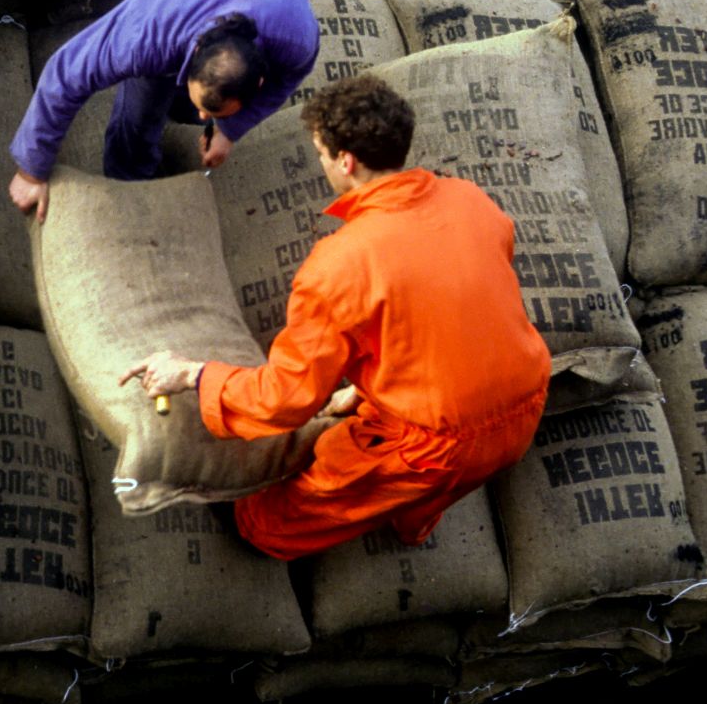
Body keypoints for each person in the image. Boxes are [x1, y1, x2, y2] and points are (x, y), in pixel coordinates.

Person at [117, 76, 551, 560]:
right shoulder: (470, 198)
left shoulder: (339, 265)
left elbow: (286, 400)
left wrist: (193, 374)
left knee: (263, 525)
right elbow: (450, 308)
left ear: (345, 161)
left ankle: (397, 494)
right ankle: (412, 513)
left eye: (321, 154)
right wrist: (364, 389)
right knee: (405, 469)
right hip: (527, 405)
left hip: (432, 449)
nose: (322, 164)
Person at [9, 0, 319, 221]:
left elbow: (287, 79)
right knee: (140, 113)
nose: (203, 115)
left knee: (190, 107)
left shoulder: (296, 39)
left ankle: (187, 101)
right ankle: (129, 187)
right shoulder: (149, 34)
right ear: (196, 50)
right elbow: (65, 72)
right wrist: (32, 171)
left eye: (209, 110)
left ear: (259, 80)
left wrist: (229, 129)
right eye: (203, 105)